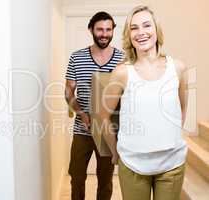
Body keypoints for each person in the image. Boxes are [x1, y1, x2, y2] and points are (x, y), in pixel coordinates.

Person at [100, 5, 188, 200]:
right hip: (133, 165)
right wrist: (115, 152)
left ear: (156, 29)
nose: (141, 32)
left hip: (171, 164)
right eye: (134, 28)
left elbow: (181, 109)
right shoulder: (122, 72)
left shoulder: (178, 68)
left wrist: (168, 136)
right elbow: (104, 116)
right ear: (128, 35)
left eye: (146, 25)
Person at [64, 11, 124, 200]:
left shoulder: (122, 59)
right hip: (83, 129)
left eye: (108, 29)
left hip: (109, 130)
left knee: (105, 179)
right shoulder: (77, 57)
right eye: (100, 29)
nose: (104, 34)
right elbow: (68, 92)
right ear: (91, 29)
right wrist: (81, 113)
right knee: (77, 176)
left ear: (113, 31)